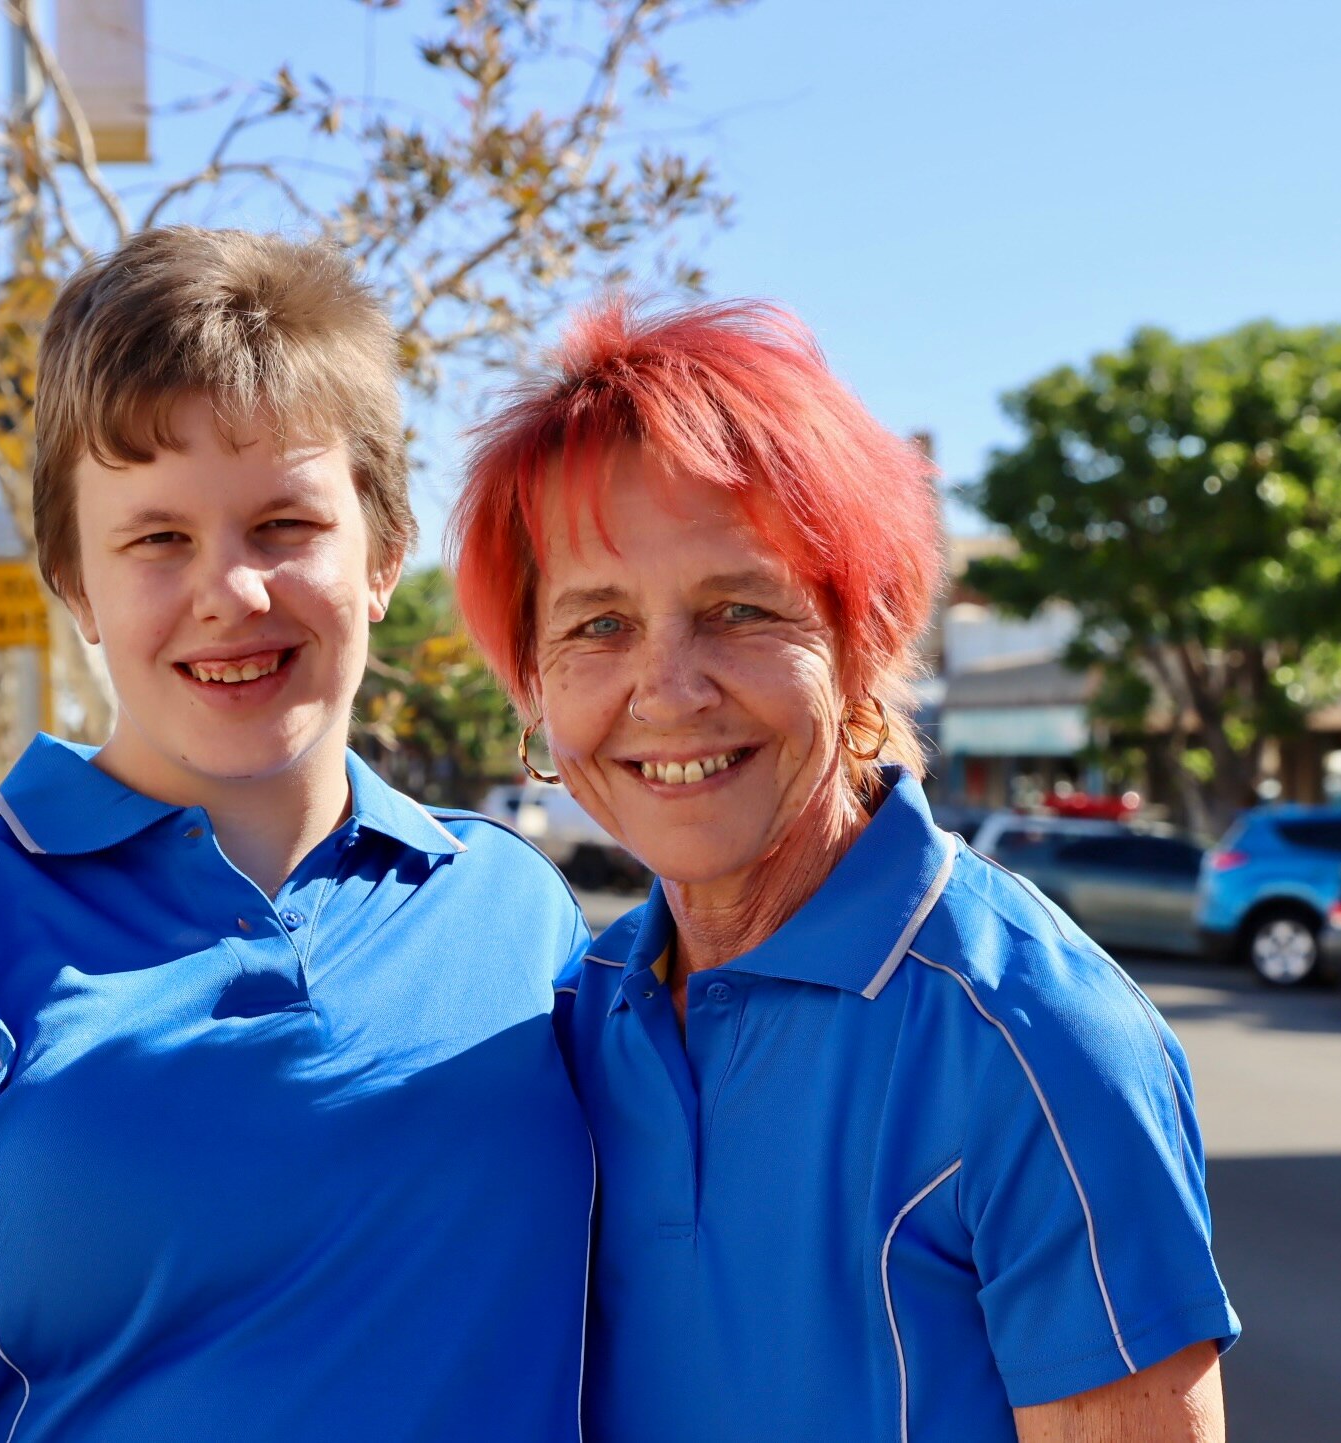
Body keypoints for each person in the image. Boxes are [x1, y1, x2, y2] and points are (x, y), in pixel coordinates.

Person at [0, 228, 595, 1442]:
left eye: (285, 524)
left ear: (386, 552)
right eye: (156, 538)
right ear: (74, 581)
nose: (229, 591)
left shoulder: (514, 906)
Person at [449, 298, 1239, 1443]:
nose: (668, 692)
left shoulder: (1033, 1039)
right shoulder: (573, 1019)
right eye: (598, 626)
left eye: (738, 608)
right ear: (531, 682)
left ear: (863, 639)